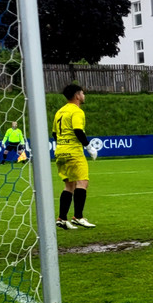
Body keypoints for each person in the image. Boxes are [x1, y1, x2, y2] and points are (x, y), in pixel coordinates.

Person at [53, 84, 97, 230]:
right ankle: (78, 217)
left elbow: (54, 134)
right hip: (73, 152)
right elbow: (78, 130)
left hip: (60, 151)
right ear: (77, 95)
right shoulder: (76, 111)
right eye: (83, 93)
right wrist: (89, 147)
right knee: (82, 182)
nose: (84, 96)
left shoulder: (60, 111)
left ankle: (62, 218)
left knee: (69, 185)